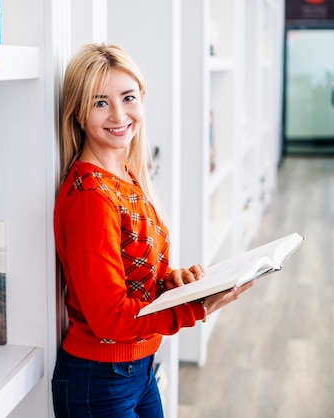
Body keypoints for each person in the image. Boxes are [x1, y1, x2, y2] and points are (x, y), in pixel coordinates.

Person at [51, 43, 254, 417]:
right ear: (78, 113)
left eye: (128, 97)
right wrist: (196, 308)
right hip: (100, 381)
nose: (118, 114)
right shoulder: (91, 197)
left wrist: (174, 282)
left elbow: (134, 277)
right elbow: (109, 317)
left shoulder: (126, 176)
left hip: (138, 368)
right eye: (100, 103)